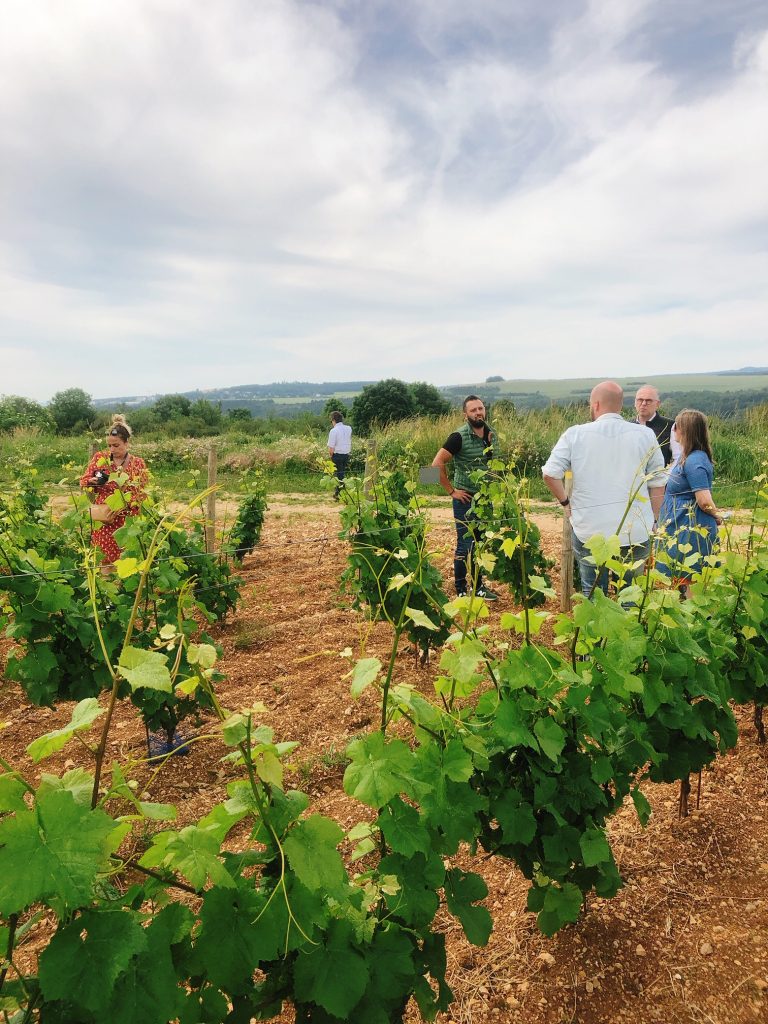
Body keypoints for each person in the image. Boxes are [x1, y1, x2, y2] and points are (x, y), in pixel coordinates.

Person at [542, 381, 667, 598]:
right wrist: (654, 519)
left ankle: (595, 630)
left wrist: (565, 503)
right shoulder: (645, 435)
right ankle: (626, 628)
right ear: (620, 406)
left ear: (596, 404)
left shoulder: (574, 434)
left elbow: (550, 473)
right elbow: (657, 483)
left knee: (593, 593)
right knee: (630, 594)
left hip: (590, 529)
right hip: (634, 530)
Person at [432, 395, 499, 600]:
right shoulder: (458, 437)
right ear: (465, 415)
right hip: (464, 499)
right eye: (473, 410)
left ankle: (478, 587)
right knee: (465, 544)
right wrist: (451, 491)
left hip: (485, 498)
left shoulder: (491, 433)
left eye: (481, 408)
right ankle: (461, 589)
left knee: (480, 544)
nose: (478, 412)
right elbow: (435, 465)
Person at [656, 409, 723, 597]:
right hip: (681, 526)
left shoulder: (695, 461)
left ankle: (694, 622)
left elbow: (703, 499)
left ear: (683, 430)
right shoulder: (688, 456)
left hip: (691, 528)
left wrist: (716, 516)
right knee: (680, 576)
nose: (673, 429)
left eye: (676, 426)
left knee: (689, 577)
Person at [80, 414, 148, 564]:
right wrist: (92, 482)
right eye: (109, 445)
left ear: (127, 443)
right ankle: (105, 586)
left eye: (116, 445)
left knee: (127, 560)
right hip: (105, 519)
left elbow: (142, 491)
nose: (112, 449)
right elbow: (83, 481)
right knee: (104, 560)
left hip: (127, 519)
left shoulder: (137, 463)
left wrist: (125, 501)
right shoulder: (100, 458)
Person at [634, 384, 675, 466]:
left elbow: (678, 457)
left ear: (657, 404)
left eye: (648, 401)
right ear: (635, 403)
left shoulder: (670, 426)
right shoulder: (627, 426)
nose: (643, 403)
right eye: (640, 400)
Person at [327, 411, 352, 498]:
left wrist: (330, 456)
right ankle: (341, 491)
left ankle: (339, 493)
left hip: (337, 455)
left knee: (338, 475)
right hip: (346, 454)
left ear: (333, 420)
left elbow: (331, 447)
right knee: (342, 473)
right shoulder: (349, 428)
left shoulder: (333, 431)